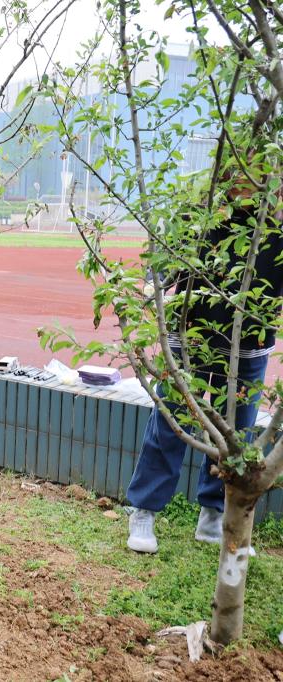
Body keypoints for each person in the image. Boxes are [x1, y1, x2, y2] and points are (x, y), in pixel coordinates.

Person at [125, 171, 283, 554]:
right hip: (189, 336)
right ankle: (144, 509)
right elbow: (160, 264)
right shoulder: (200, 207)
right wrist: (152, 288)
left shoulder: (274, 221)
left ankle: (213, 513)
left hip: (248, 345)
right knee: (172, 422)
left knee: (236, 435)